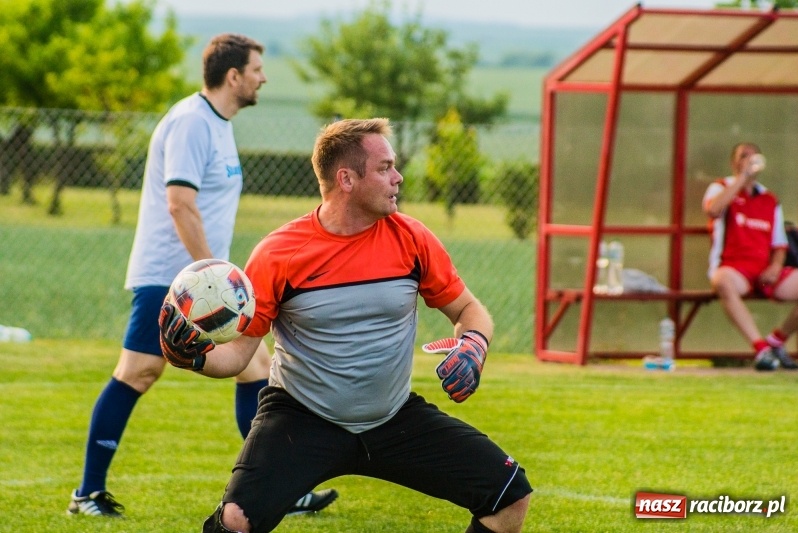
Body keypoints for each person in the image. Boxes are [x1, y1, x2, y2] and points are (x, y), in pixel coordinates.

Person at [158, 118, 533, 533]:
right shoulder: (278, 253)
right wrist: (191, 357)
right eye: (385, 168)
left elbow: (469, 310)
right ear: (347, 179)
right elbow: (238, 355)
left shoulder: (412, 238)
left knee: (509, 496)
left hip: (392, 416)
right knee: (235, 521)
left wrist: (474, 344)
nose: (398, 177)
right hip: (302, 418)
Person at [68, 34, 337, 517]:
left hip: (202, 283)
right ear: (233, 76)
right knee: (139, 371)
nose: (263, 78)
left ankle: (282, 490)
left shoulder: (217, 124)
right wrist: (212, 277)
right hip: (174, 280)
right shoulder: (192, 121)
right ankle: (86, 494)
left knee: (256, 368)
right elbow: (179, 203)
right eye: (256, 69)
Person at [703, 141, 798, 371]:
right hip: (734, 268)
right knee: (722, 281)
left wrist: (775, 267)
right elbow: (713, 210)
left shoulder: (769, 199)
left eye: (754, 156)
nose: (749, 160)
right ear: (734, 162)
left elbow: (779, 244)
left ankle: (776, 342)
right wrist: (742, 179)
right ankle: (761, 350)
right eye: (743, 156)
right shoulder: (720, 187)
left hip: (764, 272)